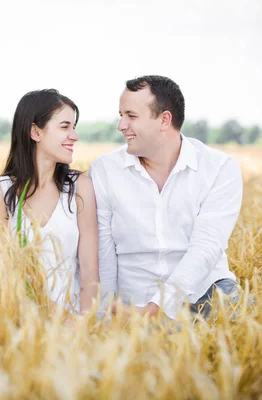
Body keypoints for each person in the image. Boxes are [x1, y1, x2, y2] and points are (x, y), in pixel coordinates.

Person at [89, 75, 243, 320]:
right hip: (132, 299)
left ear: (164, 119)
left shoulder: (219, 168)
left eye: (131, 115)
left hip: (203, 292)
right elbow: (104, 250)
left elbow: (205, 248)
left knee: (243, 324)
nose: (121, 125)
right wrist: (107, 313)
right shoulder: (104, 170)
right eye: (121, 115)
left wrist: (157, 309)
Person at [0, 89, 100, 314]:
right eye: (65, 127)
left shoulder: (80, 186)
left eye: (74, 127)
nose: (74, 136)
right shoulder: (0, 191)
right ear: (36, 132)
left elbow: (90, 270)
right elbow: (2, 271)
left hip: (74, 322)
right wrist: (52, 314)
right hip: (20, 321)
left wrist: (85, 326)